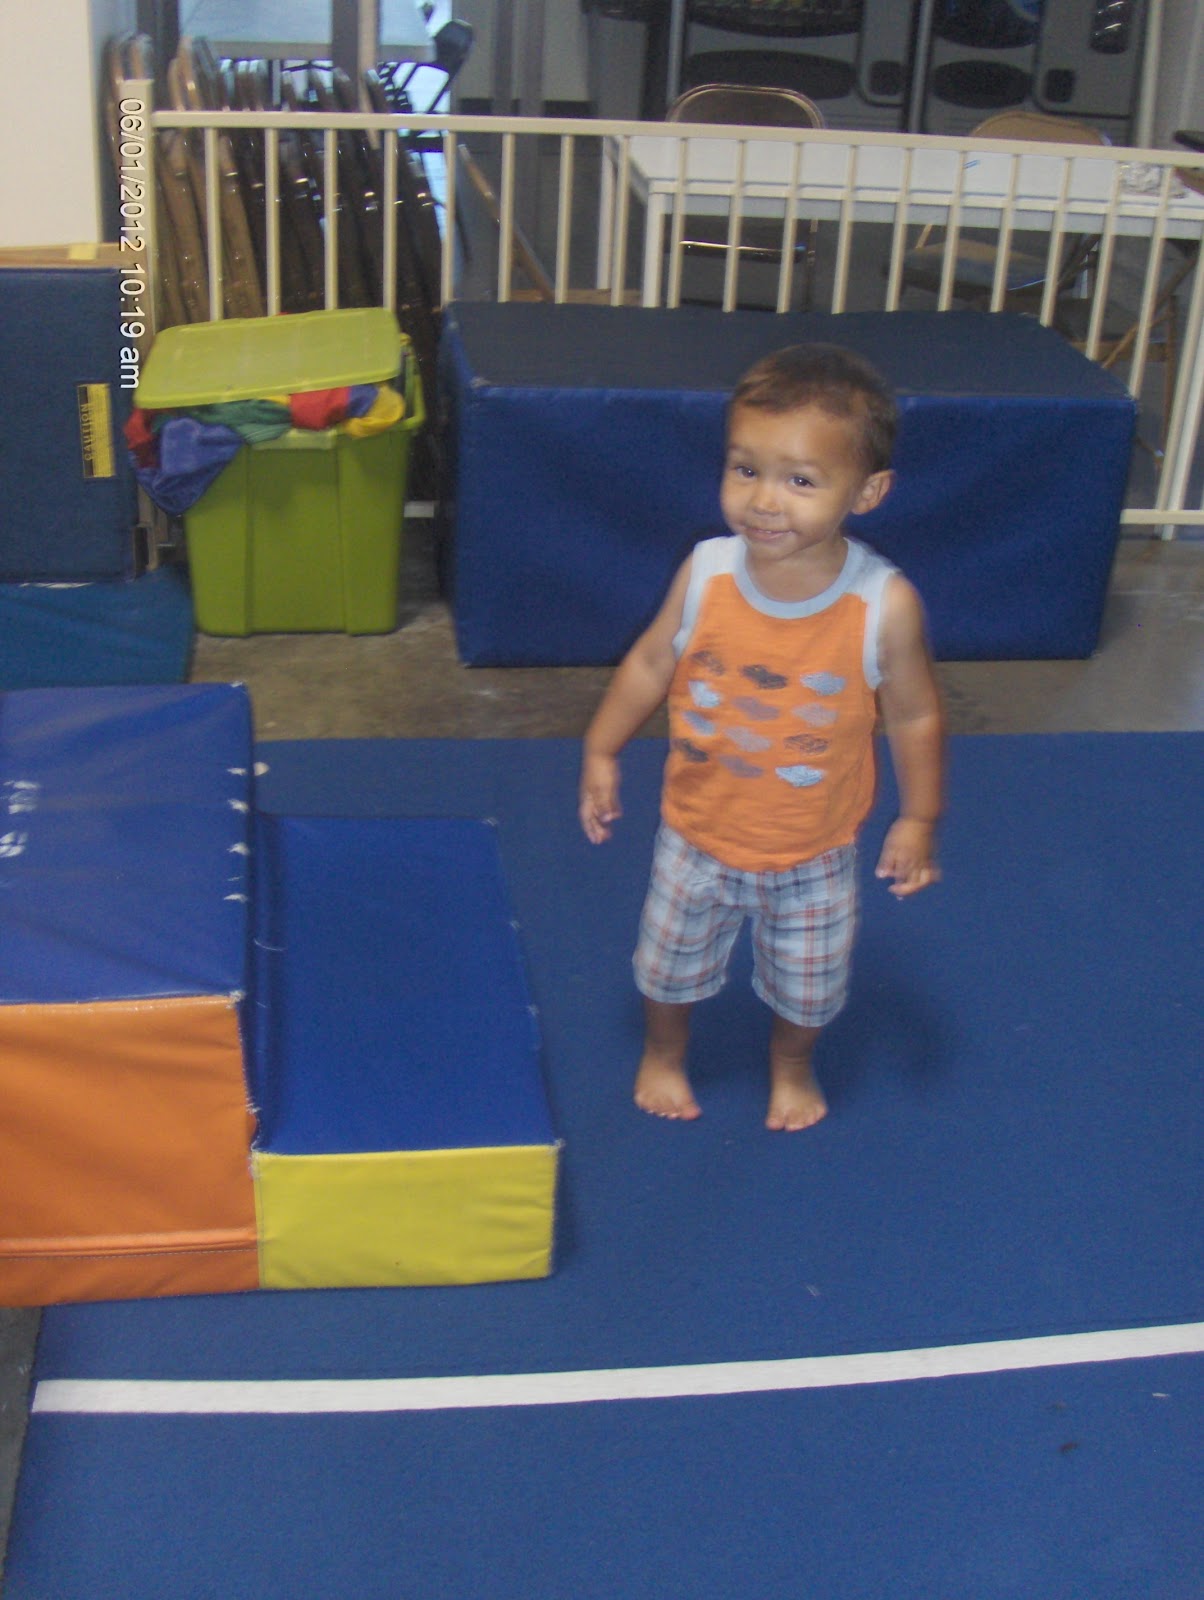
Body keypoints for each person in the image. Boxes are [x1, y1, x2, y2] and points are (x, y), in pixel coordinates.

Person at [578, 343, 944, 1132]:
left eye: (800, 480)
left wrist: (919, 818)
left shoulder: (883, 604)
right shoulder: (708, 571)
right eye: (745, 469)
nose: (764, 501)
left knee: (809, 988)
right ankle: (665, 1053)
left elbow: (915, 714)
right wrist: (601, 749)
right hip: (697, 834)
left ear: (869, 492)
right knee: (667, 970)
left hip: (813, 851)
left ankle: (791, 1063)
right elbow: (649, 661)